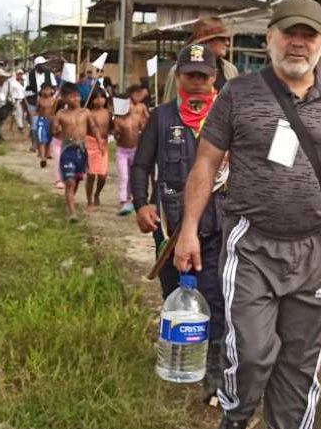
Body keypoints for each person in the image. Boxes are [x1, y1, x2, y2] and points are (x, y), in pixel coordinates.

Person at [174, 0, 321, 429]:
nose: (298, 43)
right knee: (254, 355)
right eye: (289, 33)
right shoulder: (239, 94)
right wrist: (188, 229)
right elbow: (206, 163)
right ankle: (237, 411)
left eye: (309, 35)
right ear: (271, 36)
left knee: (300, 363)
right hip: (250, 244)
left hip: (314, 250)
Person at [131, 43, 228, 404]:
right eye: (191, 75)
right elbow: (141, 165)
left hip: (217, 226)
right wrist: (141, 205)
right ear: (179, 76)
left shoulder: (228, 115)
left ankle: (214, 377)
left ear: (214, 77)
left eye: (204, 76)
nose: (198, 83)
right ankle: (177, 359)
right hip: (170, 229)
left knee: (214, 300)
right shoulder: (161, 117)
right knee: (175, 296)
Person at [162, 16, 241, 102]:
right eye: (221, 38)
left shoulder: (230, 70)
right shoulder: (180, 70)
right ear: (206, 41)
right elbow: (169, 107)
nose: (227, 43)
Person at [52, 83, 98, 220]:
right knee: (70, 181)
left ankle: (69, 202)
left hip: (82, 151)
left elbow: (93, 127)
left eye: (76, 96)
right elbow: (54, 130)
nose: (75, 99)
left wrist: (99, 140)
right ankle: (72, 213)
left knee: (77, 180)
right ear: (64, 99)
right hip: (68, 151)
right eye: (71, 97)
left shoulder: (85, 112)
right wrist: (56, 129)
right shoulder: (61, 114)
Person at [114, 84, 148, 216]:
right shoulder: (118, 120)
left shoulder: (136, 116)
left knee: (134, 175)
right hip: (122, 151)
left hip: (135, 150)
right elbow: (117, 136)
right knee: (124, 176)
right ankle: (124, 199)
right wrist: (117, 133)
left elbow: (144, 127)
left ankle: (134, 199)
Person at [84, 87, 112, 208]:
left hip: (103, 145)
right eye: (96, 98)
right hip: (90, 143)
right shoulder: (88, 113)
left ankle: (97, 194)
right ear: (91, 100)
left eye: (102, 97)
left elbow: (112, 127)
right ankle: (89, 200)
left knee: (102, 175)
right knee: (91, 175)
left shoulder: (109, 113)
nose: (99, 100)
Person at [34, 82, 58, 167]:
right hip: (41, 120)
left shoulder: (55, 100)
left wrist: (55, 120)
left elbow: (56, 112)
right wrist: (32, 115)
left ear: (51, 90)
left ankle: (47, 154)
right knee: (42, 139)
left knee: (49, 139)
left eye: (48, 89)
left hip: (50, 121)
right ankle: (42, 158)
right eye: (44, 89)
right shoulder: (39, 100)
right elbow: (36, 111)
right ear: (41, 90)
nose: (46, 91)